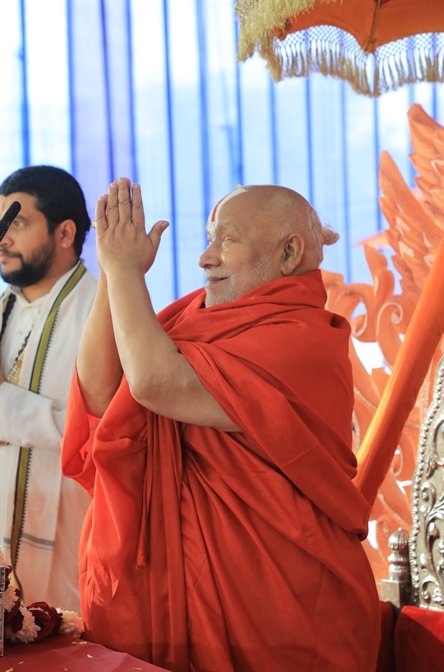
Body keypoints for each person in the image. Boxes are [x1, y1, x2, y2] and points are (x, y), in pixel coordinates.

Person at [62, 179, 381, 671]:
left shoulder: (304, 339)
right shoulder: (194, 318)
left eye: (227, 240)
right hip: (182, 593)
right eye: (209, 239)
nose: (205, 258)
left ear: (289, 253)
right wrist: (113, 272)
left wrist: (125, 271)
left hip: (280, 614)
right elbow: (101, 393)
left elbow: (156, 384)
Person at [0, 165, 97, 612]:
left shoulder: (105, 315)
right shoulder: (4, 308)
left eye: (17, 223)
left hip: (70, 544)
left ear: (65, 233)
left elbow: (106, 435)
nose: (3, 238)